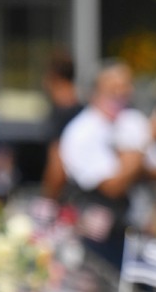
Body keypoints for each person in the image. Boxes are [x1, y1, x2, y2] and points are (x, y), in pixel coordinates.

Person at [59, 60, 150, 270]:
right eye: (113, 88)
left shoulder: (131, 120)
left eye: (126, 86)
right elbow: (113, 186)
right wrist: (135, 154)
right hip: (100, 241)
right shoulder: (82, 131)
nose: (121, 93)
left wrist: (132, 163)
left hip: (135, 234)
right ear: (95, 92)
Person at [40, 50, 83, 201]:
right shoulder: (83, 110)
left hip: (68, 198)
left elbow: (57, 165)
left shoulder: (60, 113)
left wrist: (47, 201)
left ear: (52, 76)